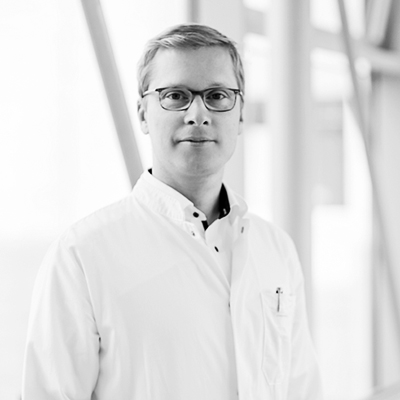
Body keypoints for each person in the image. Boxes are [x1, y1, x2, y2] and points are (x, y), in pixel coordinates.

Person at [22, 23, 323, 399]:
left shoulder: (276, 249)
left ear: (241, 114)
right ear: (143, 114)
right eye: (176, 96)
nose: (198, 114)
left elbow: (301, 389)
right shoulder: (81, 256)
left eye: (217, 95)